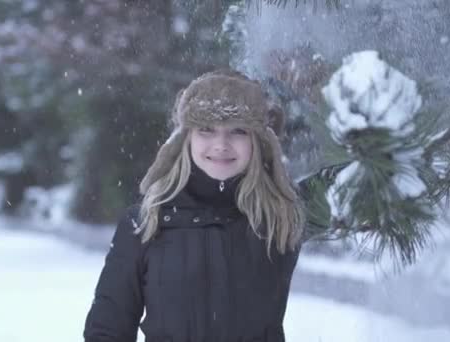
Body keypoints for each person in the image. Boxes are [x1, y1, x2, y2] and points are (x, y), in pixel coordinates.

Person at [83, 69, 306, 342]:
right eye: (206, 130)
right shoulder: (144, 221)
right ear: (185, 139)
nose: (221, 144)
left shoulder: (280, 218)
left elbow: (351, 188)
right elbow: (107, 330)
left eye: (237, 131)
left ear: (258, 141)